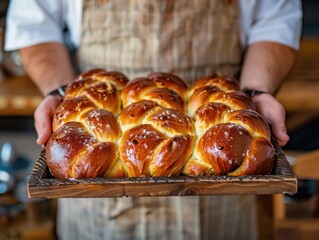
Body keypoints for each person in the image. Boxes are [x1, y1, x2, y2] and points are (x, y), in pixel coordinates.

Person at [5, 0, 302, 239]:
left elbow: (276, 20)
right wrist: (61, 92)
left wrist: (256, 91)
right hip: (95, 193)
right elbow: (36, 27)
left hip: (224, 161)